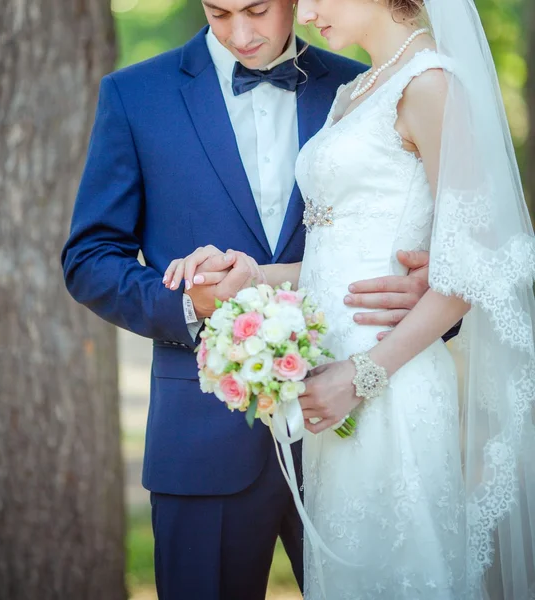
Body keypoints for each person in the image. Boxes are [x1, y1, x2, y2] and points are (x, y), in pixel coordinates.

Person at [62, 1, 458, 598]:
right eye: (219, 13)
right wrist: (191, 305)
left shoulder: (366, 84)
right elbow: (88, 259)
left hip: (360, 427)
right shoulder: (135, 96)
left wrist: (427, 294)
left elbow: (452, 243)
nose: (241, 34)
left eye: (257, 9)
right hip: (202, 437)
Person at [165, 0, 535, 598]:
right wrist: (250, 275)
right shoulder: (357, 90)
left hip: (390, 376)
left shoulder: (430, 84)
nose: (305, 12)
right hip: (328, 383)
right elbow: (339, 258)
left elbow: (473, 268)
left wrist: (359, 377)